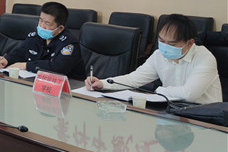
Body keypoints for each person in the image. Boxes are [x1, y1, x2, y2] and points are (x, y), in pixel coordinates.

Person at [85, 14, 222, 104]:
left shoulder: (204, 58)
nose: (164, 46)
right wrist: (103, 84)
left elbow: (189, 94)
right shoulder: (159, 55)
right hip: (174, 112)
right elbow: (134, 79)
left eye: (171, 44)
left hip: (205, 118)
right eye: (161, 40)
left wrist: (160, 90)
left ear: (190, 43)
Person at [0, 1, 84, 78]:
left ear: (60, 28)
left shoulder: (69, 44)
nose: (42, 26)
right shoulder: (35, 36)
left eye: (47, 23)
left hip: (67, 87)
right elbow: (21, 52)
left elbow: (58, 67)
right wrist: (6, 59)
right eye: (40, 20)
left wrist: (26, 66)